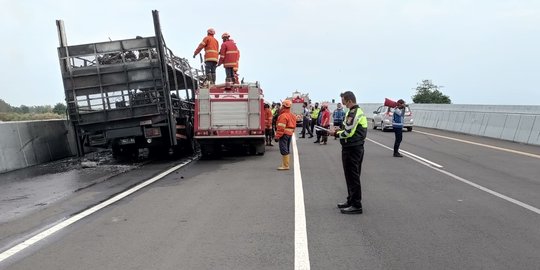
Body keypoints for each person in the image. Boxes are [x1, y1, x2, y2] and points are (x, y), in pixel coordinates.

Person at [328, 91, 368, 214]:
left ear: (349, 101)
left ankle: (356, 205)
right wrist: (340, 129)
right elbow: (349, 129)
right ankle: (351, 200)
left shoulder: (353, 113)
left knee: (352, 176)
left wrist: (334, 133)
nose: (343, 104)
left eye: (343, 101)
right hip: (354, 147)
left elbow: (348, 133)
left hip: (352, 148)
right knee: (350, 176)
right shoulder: (355, 112)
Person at [274, 100, 296, 170]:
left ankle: (285, 166)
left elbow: (280, 127)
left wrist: (277, 136)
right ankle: (285, 164)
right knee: (286, 148)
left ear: (283, 106)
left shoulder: (283, 116)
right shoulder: (292, 115)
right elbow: (294, 126)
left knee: (283, 149)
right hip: (289, 134)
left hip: (284, 134)